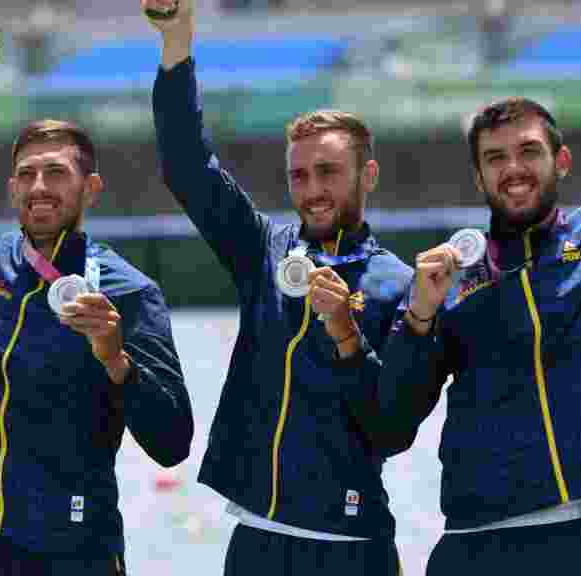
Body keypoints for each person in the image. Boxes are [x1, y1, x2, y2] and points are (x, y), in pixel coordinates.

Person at [0, 69, 194, 576]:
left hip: (78, 548)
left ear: (91, 189)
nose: (39, 187)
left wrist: (117, 360)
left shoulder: (129, 293)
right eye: (26, 175)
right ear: (11, 188)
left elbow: (172, 443)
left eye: (56, 173)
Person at [144, 1, 413, 574]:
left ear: (367, 175)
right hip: (257, 541)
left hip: (353, 546)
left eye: (328, 172)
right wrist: (176, 43)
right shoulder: (261, 248)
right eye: (298, 175)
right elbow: (188, 166)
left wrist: (345, 334)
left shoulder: (401, 285)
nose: (312, 189)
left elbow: (391, 427)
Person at [378, 97, 581, 574]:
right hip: (474, 546)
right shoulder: (451, 278)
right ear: (478, 177)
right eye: (495, 158)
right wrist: (418, 318)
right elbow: (391, 424)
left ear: (561, 162)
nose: (513, 169)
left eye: (529, 151)